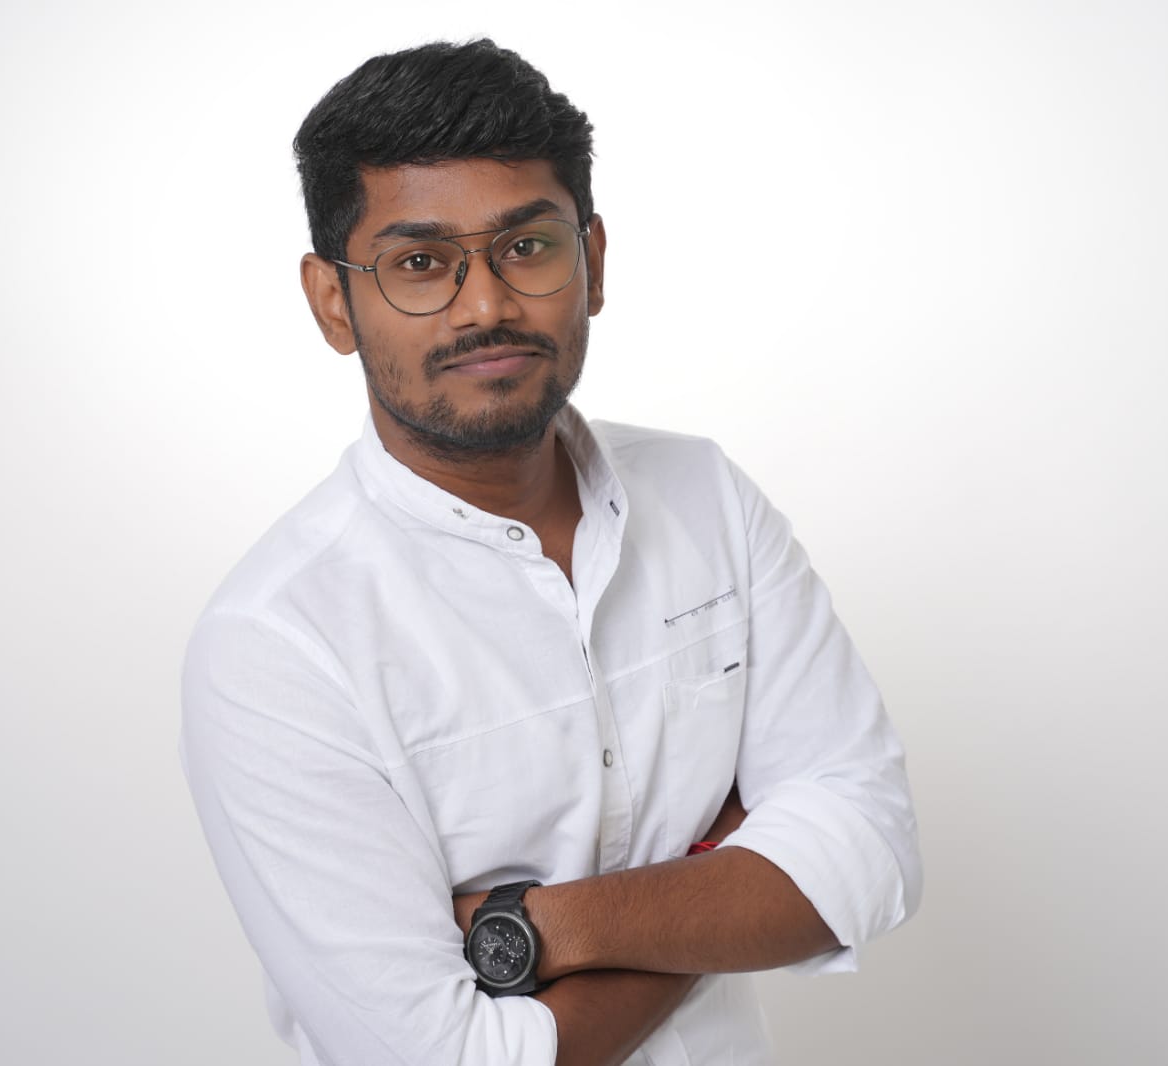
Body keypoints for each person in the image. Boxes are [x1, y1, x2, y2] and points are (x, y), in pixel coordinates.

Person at [180, 37, 922, 1066]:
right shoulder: (276, 644)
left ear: (594, 259)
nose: (485, 304)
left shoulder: (706, 496)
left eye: (527, 246)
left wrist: (536, 926)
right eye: (420, 264)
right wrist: (724, 874)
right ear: (331, 301)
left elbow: (871, 848)